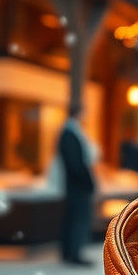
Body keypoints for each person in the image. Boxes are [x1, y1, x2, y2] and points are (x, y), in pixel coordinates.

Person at [55, 107, 95, 266]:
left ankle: (69, 252)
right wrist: (88, 181)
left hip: (73, 185)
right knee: (78, 219)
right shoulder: (71, 134)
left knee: (72, 218)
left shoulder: (68, 133)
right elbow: (76, 164)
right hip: (77, 186)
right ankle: (74, 253)